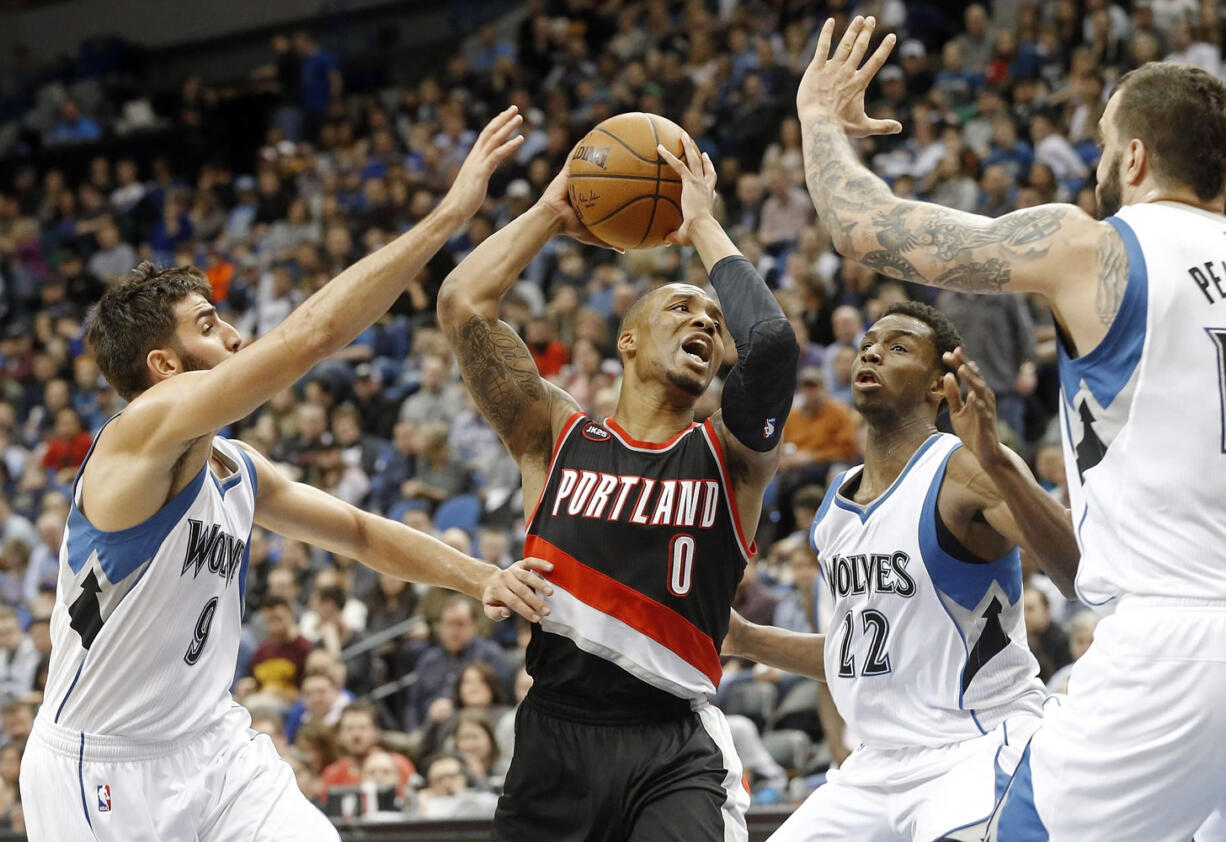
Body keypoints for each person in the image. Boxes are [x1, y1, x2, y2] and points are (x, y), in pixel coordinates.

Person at [18, 107, 553, 842]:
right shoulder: (136, 435)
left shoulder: (236, 469)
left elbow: (361, 532)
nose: (235, 335)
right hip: (102, 768)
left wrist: (480, 578)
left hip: (216, 747)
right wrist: (447, 217)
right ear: (164, 368)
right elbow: (312, 338)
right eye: (208, 325)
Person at [795, 16, 1226, 840]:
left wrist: (820, 119)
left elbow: (864, 227)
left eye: (1104, 143)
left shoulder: (1095, 247)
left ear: (1132, 157)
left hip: (1170, 643)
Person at [437, 132, 798, 841]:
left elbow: (773, 344)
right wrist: (549, 211)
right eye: (681, 309)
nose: (703, 319)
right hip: (553, 741)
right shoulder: (558, 435)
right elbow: (463, 305)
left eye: (713, 322)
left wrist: (698, 222)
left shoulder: (729, 456)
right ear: (626, 342)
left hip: (672, 747)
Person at [725, 303, 1079, 841]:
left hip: (975, 744)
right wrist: (745, 639)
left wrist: (999, 461)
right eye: (869, 343)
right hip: (876, 764)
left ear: (939, 385)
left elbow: (1077, 571)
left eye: (897, 348)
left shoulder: (964, 469)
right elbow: (855, 653)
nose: (872, 352)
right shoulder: (834, 508)